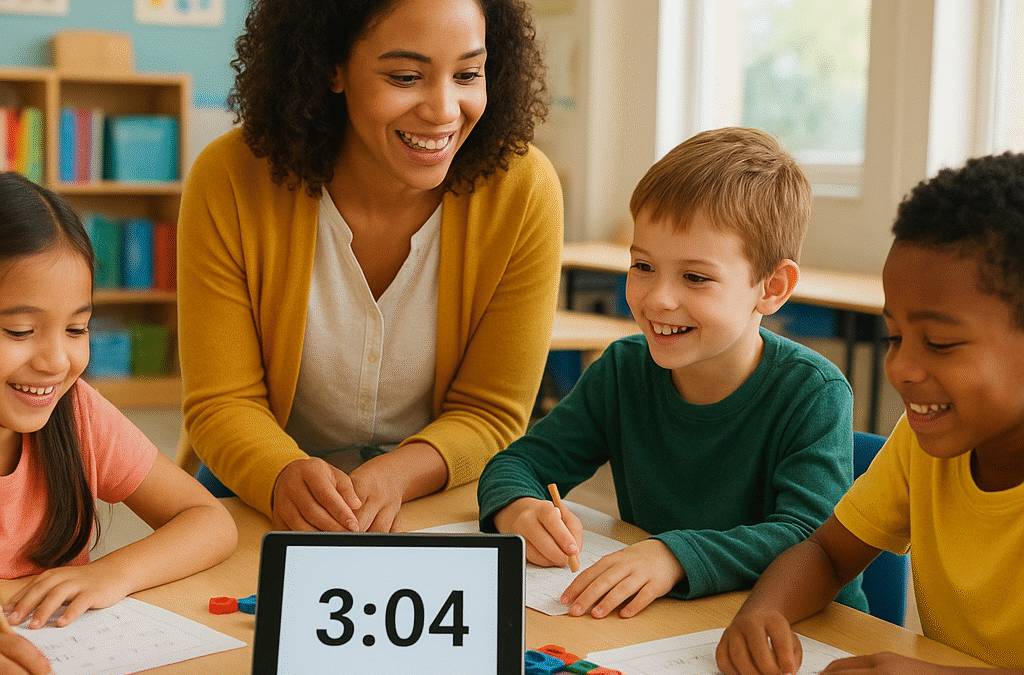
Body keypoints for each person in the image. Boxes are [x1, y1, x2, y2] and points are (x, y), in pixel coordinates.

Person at [175, 0, 562, 533]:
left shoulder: (522, 191)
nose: (444, 110)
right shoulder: (230, 180)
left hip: (437, 491)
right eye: (406, 76)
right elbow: (223, 402)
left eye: (468, 74)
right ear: (331, 66)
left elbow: (492, 412)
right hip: (264, 487)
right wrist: (281, 473)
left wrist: (396, 474)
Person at [477, 127, 867, 619]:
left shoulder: (812, 394)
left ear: (771, 287)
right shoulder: (622, 371)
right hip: (674, 629)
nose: (658, 298)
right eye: (643, 266)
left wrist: (673, 555)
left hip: (806, 634)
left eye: (695, 277)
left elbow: (808, 540)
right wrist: (520, 509)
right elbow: (517, 465)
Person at [716, 152, 1024, 675]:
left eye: (941, 343)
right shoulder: (921, 445)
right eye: (894, 337)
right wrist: (764, 612)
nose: (901, 368)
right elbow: (827, 555)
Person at [0, 171, 237, 636]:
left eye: (76, 329)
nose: (55, 362)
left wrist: (110, 574)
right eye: (20, 331)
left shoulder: (78, 414)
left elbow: (210, 521)